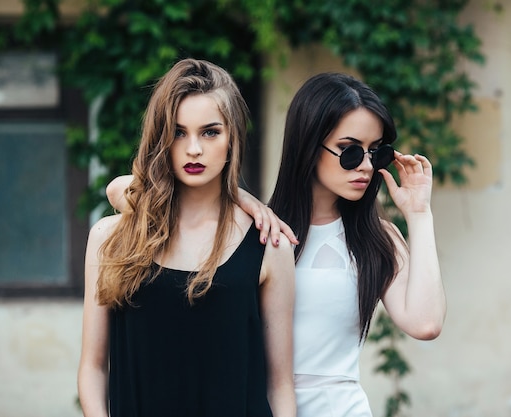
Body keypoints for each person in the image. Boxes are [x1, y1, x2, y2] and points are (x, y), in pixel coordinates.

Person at [107, 71, 446, 416]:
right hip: (255, 402)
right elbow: (127, 190)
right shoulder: (259, 231)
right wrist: (240, 197)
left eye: (376, 153)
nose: (365, 166)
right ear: (310, 145)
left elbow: (425, 323)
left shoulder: (376, 239)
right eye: (349, 151)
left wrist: (419, 215)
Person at [78, 58, 296, 417]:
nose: (193, 149)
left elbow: (280, 384)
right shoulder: (109, 238)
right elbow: (92, 368)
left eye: (210, 132)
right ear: (160, 139)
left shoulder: (269, 245)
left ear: (232, 139)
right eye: (179, 132)